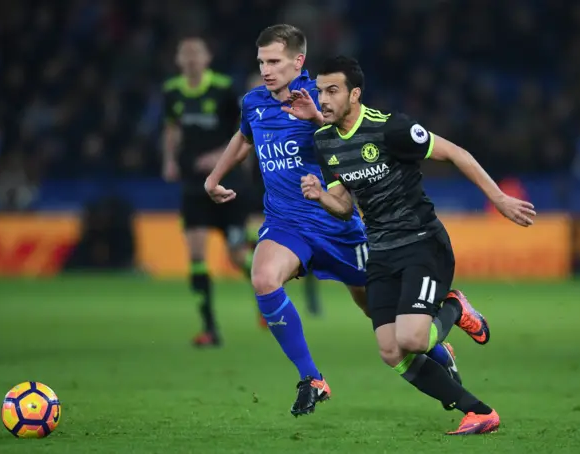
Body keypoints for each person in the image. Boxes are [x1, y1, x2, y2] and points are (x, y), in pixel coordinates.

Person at [205, 25, 461, 417]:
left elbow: (353, 132)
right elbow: (244, 139)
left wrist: (316, 121)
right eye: (261, 62)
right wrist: (214, 177)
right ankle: (312, 378)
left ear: (298, 61)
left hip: (336, 223)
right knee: (262, 278)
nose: (266, 70)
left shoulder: (323, 97)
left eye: (274, 61)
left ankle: (439, 353)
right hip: (286, 223)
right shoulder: (253, 103)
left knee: (378, 315)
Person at [295, 55, 536, 435]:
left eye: (332, 90)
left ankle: (454, 307)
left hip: (422, 243)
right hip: (381, 251)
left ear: (354, 94)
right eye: (319, 90)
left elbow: (457, 154)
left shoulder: (390, 129)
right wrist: (320, 197)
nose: (322, 98)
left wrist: (500, 199)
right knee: (391, 351)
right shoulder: (325, 142)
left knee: (412, 339)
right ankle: (479, 411)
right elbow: (344, 207)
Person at [162, 36, 254, 347]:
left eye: (195, 53)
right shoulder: (172, 91)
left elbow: (244, 128)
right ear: (178, 59)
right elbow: (172, 127)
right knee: (197, 256)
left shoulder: (224, 88)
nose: (190, 58)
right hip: (193, 185)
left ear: (207, 57)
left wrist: (220, 157)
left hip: (228, 182)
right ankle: (210, 328)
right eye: (184, 53)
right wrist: (170, 160)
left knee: (238, 256)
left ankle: (266, 295)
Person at [243, 71, 323, 320]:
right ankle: (267, 296)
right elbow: (244, 146)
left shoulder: (291, 116)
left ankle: (305, 296)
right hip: (259, 188)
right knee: (254, 245)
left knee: (306, 246)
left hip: (290, 188)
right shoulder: (253, 118)